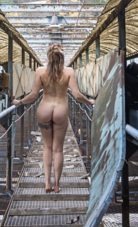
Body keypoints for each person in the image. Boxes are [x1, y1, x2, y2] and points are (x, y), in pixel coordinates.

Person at [12, 43, 95, 193]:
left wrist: (19, 102)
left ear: (48, 57)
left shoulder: (40, 71)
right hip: (60, 110)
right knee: (58, 150)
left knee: (47, 147)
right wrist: (89, 101)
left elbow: (33, 95)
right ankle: (57, 185)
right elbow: (76, 95)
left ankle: (47, 184)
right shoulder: (69, 71)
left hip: (44, 109)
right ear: (62, 57)